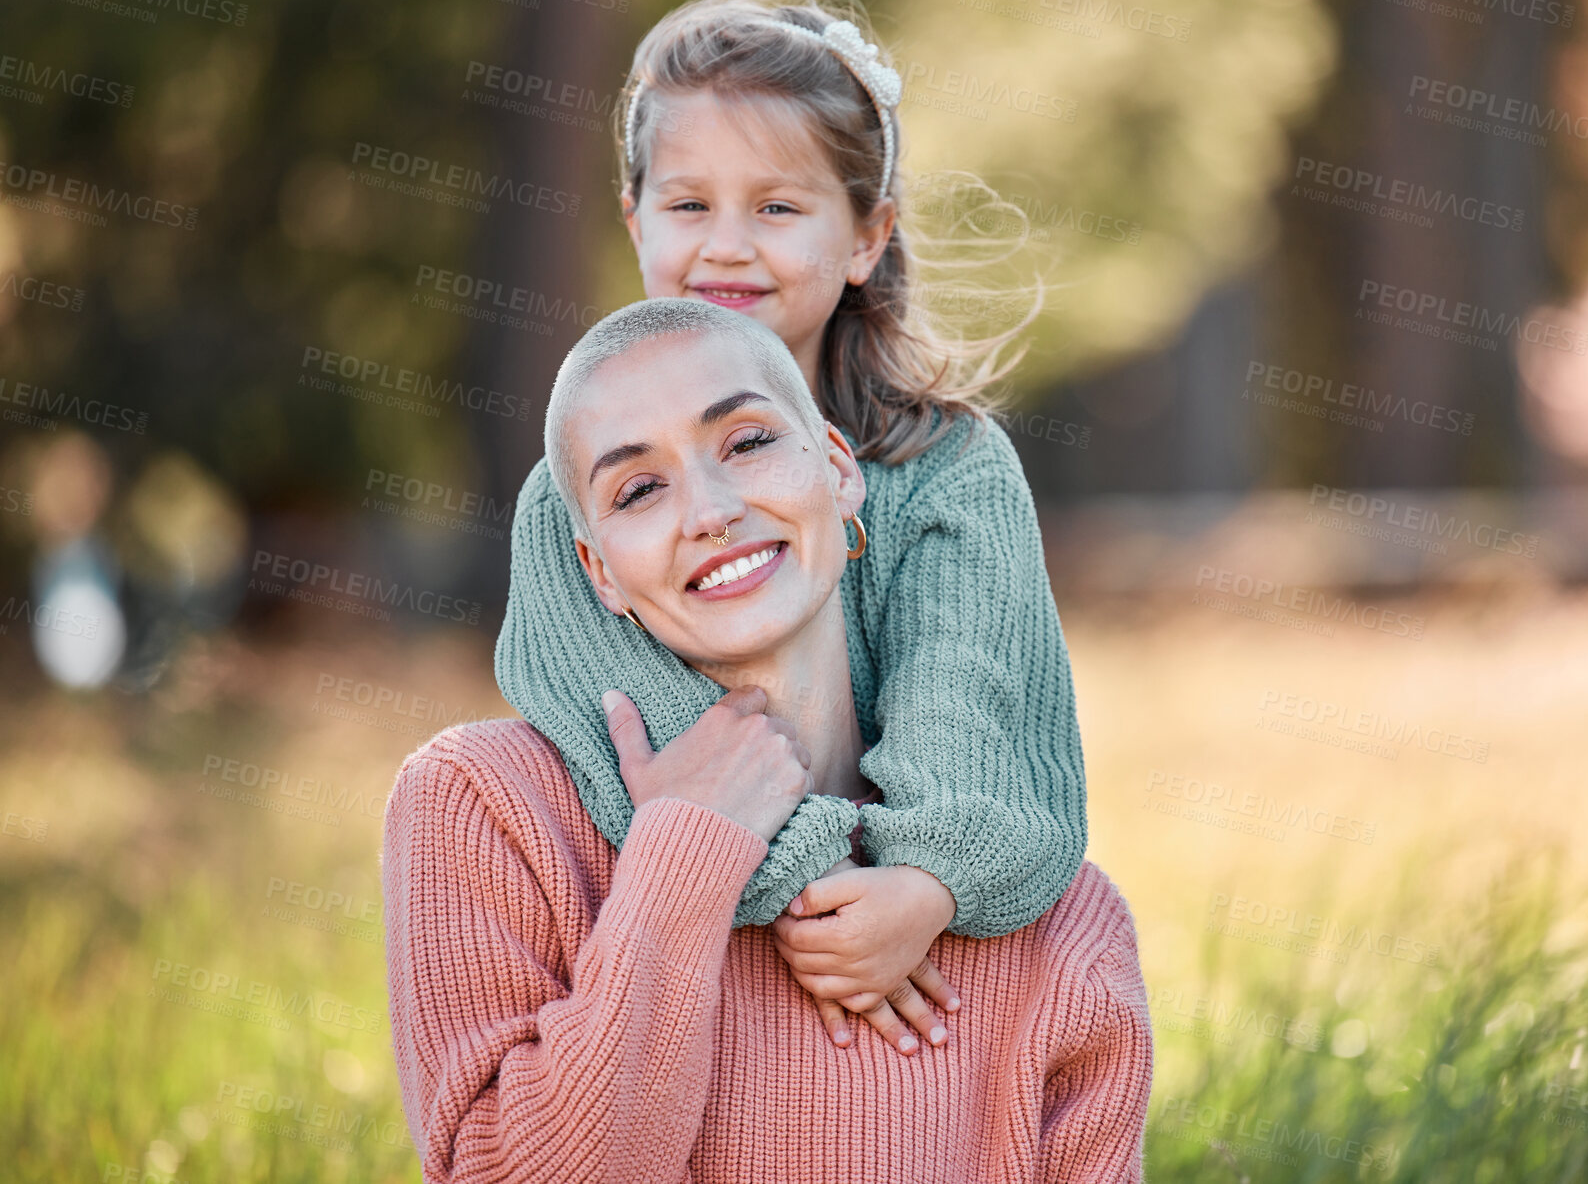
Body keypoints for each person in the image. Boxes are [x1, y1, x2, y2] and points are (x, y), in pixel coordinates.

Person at [384, 298, 1153, 1182]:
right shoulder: (484, 803)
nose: (708, 511)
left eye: (746, 442)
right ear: (599, 570)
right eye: (638, 489)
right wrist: (688, 847)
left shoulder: (1058, 922)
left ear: (836, 468)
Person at [496, 0, 1090, 1056]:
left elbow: (974, 691)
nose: (726, 246)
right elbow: (617, 712)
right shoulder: (577, 490)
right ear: (635, 223)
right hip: (689, 928)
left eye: (776, 208)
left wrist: (921, 884)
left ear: (866, 235)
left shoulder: (944, 466)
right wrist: (812, 881)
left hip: (910, 927)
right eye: (687, 206)